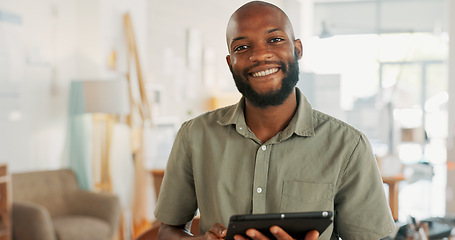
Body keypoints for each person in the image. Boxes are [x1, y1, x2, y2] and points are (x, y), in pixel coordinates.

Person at [154, 1, 396, 239]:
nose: (260, 55)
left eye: (275, 40)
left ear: (297, 49)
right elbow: (168, 230)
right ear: (230, 64)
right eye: (242, 47)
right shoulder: (195, 135)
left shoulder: (348, 146)